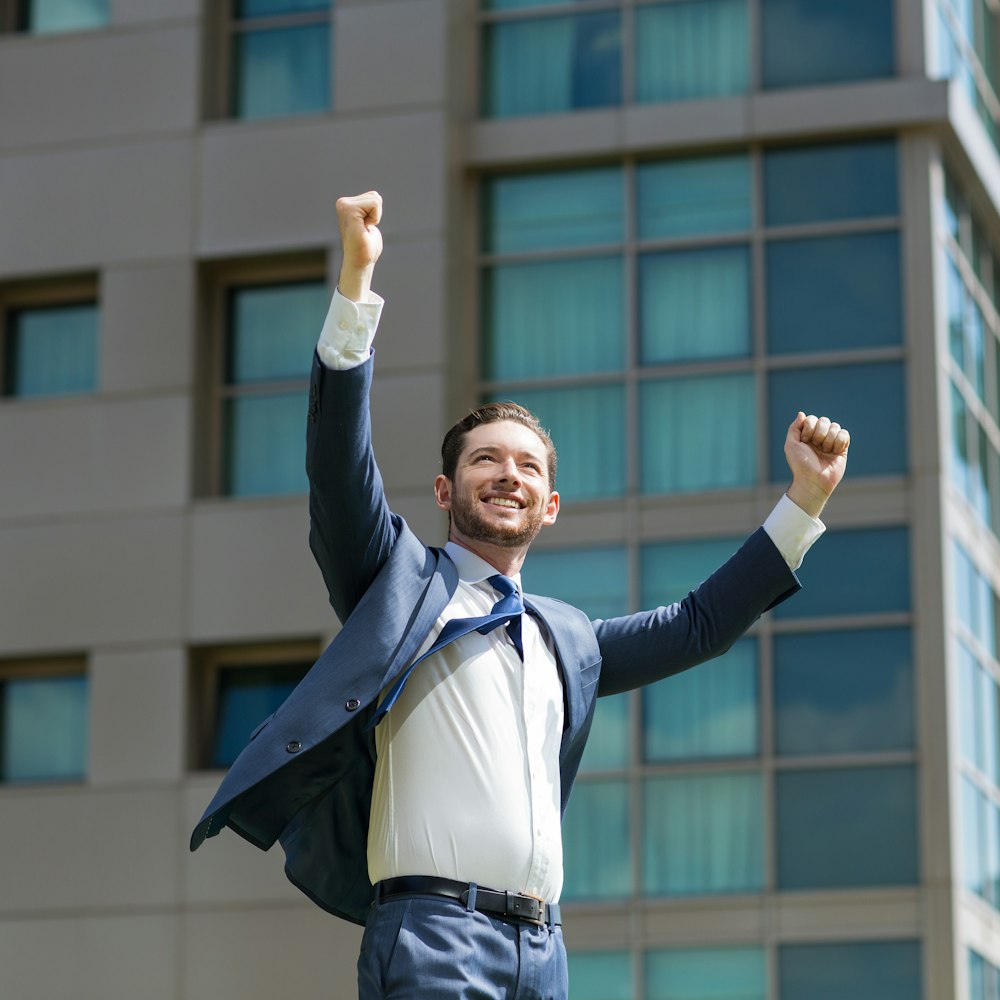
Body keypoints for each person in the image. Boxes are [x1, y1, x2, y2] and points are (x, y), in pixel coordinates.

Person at [191, 191, 851, 1000]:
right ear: (444, 488)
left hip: (544, 949)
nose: (509, 474)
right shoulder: (397, 584)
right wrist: (357, 286)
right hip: (433, 935)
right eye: (486, 461)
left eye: (529, 467)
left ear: (550, 506)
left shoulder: (566, 638)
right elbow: (337, 468)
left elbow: (701, 625)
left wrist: (805, 501)